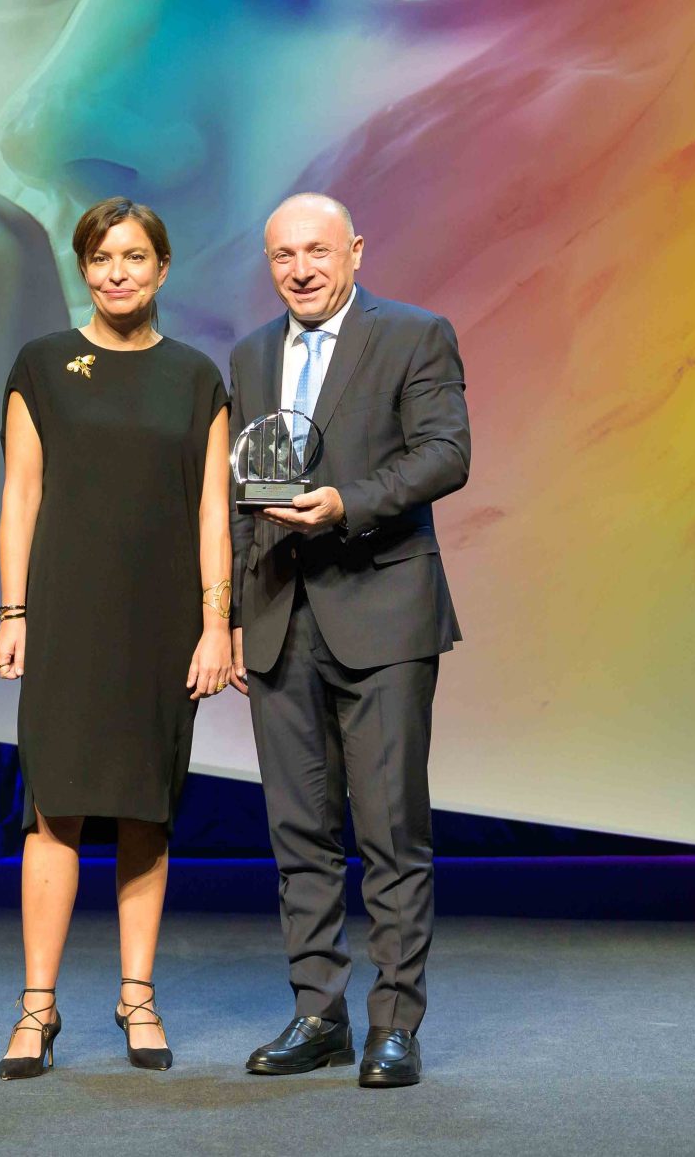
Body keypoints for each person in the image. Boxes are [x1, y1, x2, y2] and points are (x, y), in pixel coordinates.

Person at [0, 196, 235, 1078]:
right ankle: (37, 1008)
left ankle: (138, 998)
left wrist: (218, 624)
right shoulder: (43, 365)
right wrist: (14, 613)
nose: (117, 273)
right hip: (66, 615)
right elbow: (21, 495)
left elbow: (214, 512)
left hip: (163, 622)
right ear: (83, 269)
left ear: (162, 268)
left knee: (145, 810)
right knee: (54, 808)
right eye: (100, 258)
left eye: (133, 257)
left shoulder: (198, 378)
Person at [229, 193, 468, 1088]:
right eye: (283, 256)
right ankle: (316, 1014)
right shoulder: (252, 354)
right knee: (299, 833)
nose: (301, 270)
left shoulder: (413, 334)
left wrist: (346, 504)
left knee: (392, 830)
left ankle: (394, 1023)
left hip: (382, 611)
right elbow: (246, 492)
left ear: (356, 252)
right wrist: (234, 615)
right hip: (279, 617)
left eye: (318, 252)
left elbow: (446, 452)